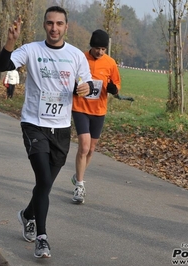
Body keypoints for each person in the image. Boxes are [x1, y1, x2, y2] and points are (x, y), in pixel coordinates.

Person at [0, 6, 93, 259]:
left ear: (66, 27)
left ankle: (27, 214)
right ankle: (42, 238)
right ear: (44, 25)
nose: (54, 28)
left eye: (59, 24)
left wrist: (85, 89)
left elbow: (88, 84)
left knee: (45, 184)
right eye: (50, 23)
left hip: (61, 128)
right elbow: (3, 65)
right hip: (34, 124)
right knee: (43, 178)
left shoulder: (75, 55)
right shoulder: (30, 49)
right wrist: (10, 41)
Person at [71, 29, 121, 204]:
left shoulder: (110, 63)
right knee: (84, 147)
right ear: (91, 46)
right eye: (97, 48)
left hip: (99, 110)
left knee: (91, 149)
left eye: (103, 49)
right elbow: (70, 78)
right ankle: (79, 185)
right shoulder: (80, 58)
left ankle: (79, 173)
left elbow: (116, 84)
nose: (100, 52)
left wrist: (114, 89)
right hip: (80, 107)